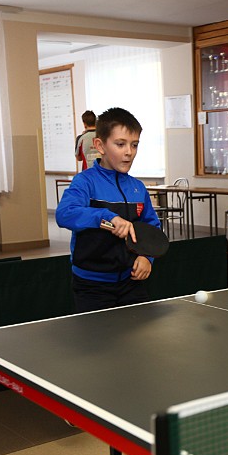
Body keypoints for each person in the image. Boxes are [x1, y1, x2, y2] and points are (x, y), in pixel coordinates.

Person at [56, 107, 161, 312]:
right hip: (92, 286)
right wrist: (105, 217)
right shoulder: (85, 182)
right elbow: (65, 214)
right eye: (120, 144)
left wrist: (146, 258)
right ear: (100, 145)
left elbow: (152, 229)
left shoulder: (138, 188)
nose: (129, 152)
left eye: (134, 145)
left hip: (132, 283)